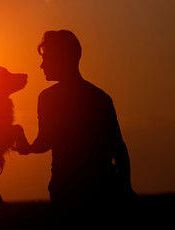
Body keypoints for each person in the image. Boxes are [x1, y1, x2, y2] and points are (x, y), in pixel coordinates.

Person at [14, 30, 135, 208]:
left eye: (46, 58)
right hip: (104, 187)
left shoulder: (48, 98)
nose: (41, 65)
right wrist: (127, 187)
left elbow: (44, 142)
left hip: (67, 188)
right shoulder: (101, 97)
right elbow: (119, 148)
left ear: (60, 59)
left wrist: (27, 148)